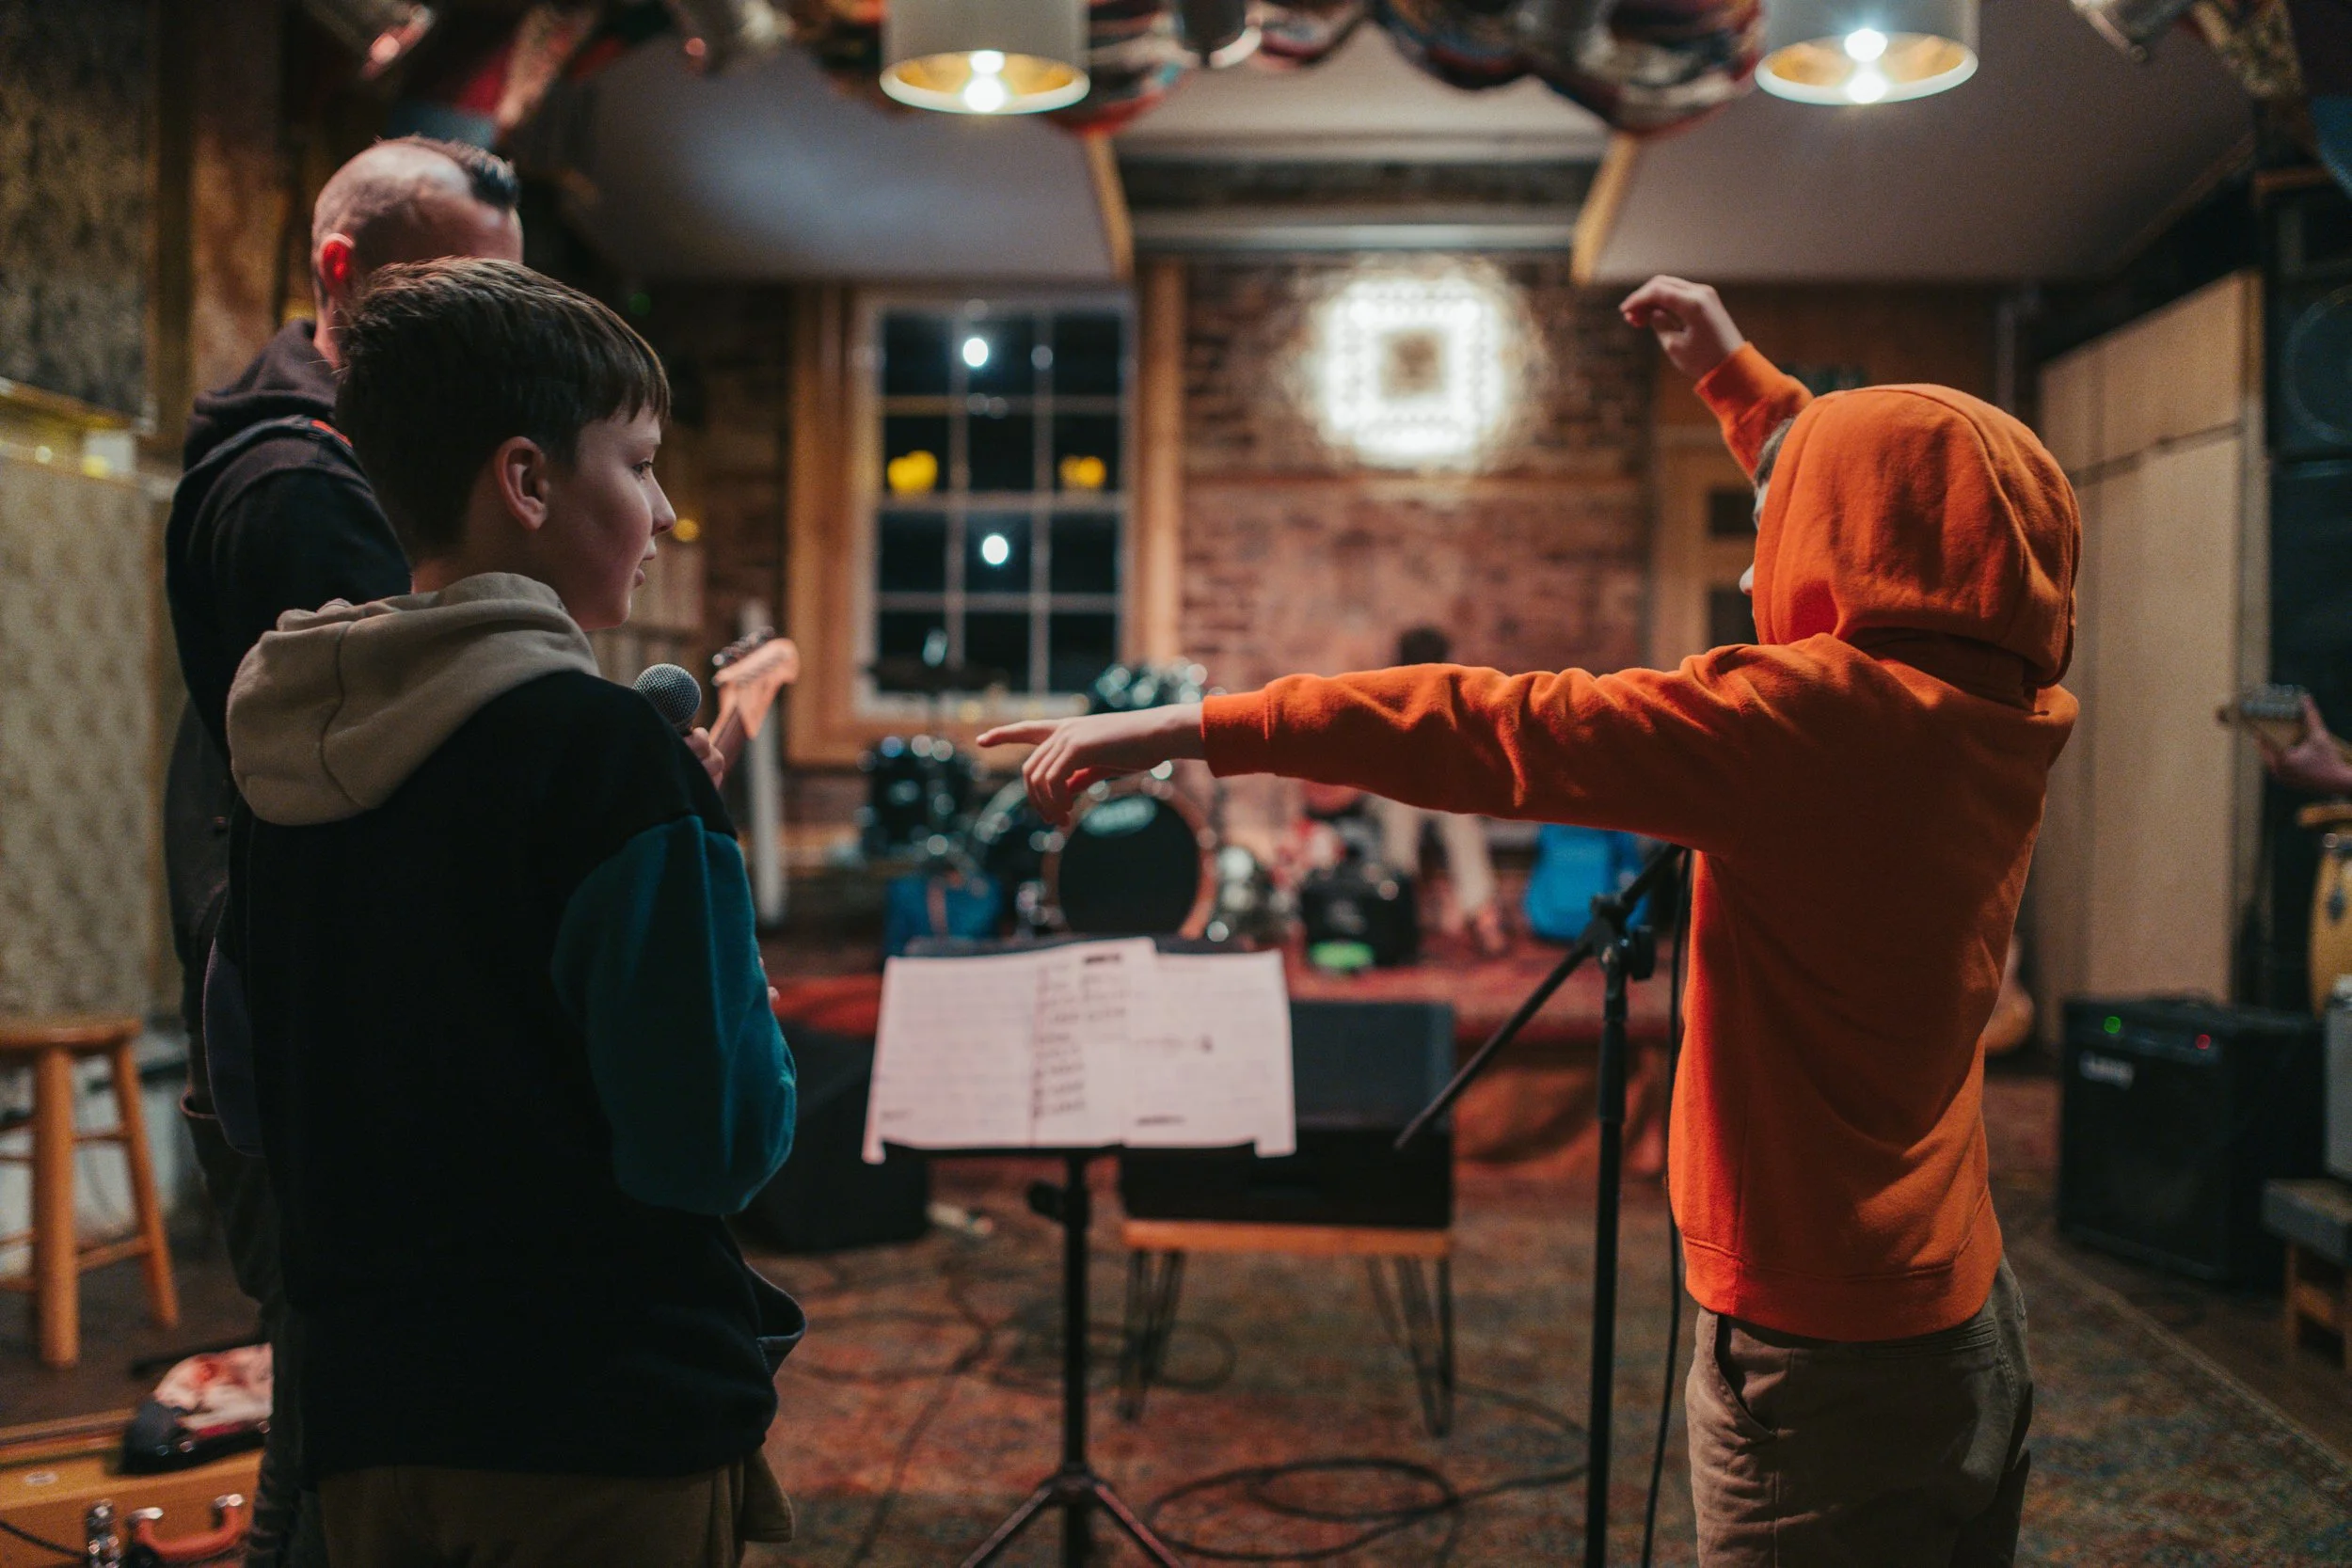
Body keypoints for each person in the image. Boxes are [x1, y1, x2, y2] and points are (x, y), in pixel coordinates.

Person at [981, 275, 2078, 1566]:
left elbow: (1490, 721)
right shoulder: (1993, 710)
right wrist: (1745, 387)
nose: (1750, 558)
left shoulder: (1799, 724)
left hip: (1820, 1343)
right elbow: (1924, 498)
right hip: (1957, 1303)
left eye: (1786, 524)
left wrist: (1194, 725)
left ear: (1853, 547)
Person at [211, 258, 800, 1567]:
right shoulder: (606, 758)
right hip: (595, 1419)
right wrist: (741, 1001)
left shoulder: (282, 754)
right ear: (528, 481)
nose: (662, 510)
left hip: (369, 1418)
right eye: (639, 464)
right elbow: (710, 1142)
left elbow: (250, 1091)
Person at [162, 134, 526, 1568]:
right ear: (340, 270)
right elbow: (407, 776)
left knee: (347, 1423)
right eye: (458, 284)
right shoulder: (308, 486)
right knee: (333, 1443)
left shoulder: (380, 455)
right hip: (317, 1011)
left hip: (330, 993)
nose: (490, 325)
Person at [1368, 626, 1509, 956]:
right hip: (1395, 796)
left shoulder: (1459, 700)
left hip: (1443, 795)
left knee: (1461, 821)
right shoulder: (1384, 697)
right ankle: (1399, 908)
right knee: (1399, 816)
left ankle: (1482, 916)